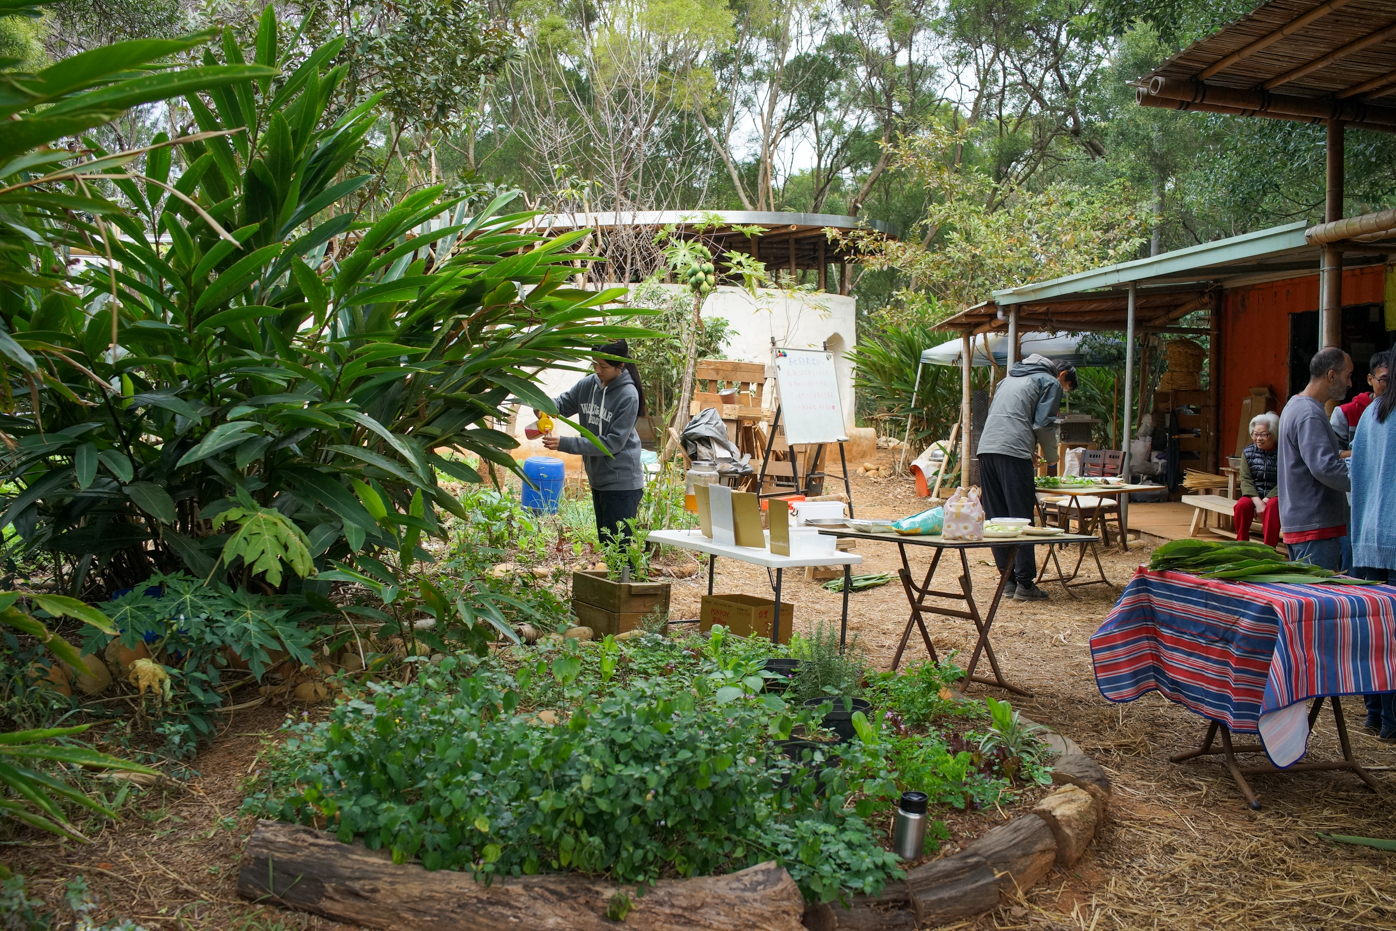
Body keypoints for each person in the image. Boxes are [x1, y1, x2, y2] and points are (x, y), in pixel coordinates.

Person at [977, 353, 1076, 602]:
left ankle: (1007, 581)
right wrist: (1052, 457)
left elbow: (1010, 418)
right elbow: (1043, 425)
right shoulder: (1049, 382)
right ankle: (1025, 584)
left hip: (987, 450)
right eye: (1066, 388)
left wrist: (1027, 449)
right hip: (1013, 452)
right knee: (1020, 517)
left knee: (997, 518)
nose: (1062, 391)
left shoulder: (1008, 379)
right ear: (1062, 376)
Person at [543, 340, 646, 546]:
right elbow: (563, 404)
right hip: (599, 479)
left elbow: (611, 444)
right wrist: (542, 406)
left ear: (620, 365)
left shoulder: (628, 395)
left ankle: (628, 579)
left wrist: (564, 443)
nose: (597, 370)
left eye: (603, 366)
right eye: (594, 364)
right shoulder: (588, 384)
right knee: (608, 545)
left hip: (622, 482)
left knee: (620, 549)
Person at [1349, 350, 1396, 740]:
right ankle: (1392, 723)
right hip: (1393, 538)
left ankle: (1375, 715)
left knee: (1377, 634)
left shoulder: (1373, 412)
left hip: (1368, 537)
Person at [1277, 347, 1352, 571]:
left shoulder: (1295, 406)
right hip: (1315, 526)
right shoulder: (1309, 414)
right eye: (1347, 375)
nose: (1349, 383)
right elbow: (1325, 467)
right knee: (1319, 600)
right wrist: (1368, 479)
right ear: (1331, 375)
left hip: (1302, 522)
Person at [1332, 351, 1388, 570]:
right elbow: (1332, 454)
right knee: (1352, 561)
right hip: (1353, 498)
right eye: (1383, 380)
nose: (1388, 386)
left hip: (1383, 502)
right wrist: (1367, 453)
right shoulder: (1346, 412)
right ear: (1370, 379)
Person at [1233, 412, 1280, 547]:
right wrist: (1257, 501)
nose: (1258, 438)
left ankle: (1269, 548)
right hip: (1255, 495)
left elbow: (1285, 479)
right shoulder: (1247, 452)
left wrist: (1265, 500)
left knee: (1272, 506)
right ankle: (1242, 544)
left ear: (1274, 434)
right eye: (1255, 434)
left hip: (1276, 496)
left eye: (1264, 435)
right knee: (1242, 505)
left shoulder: (1284, 452)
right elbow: (1246, 480)